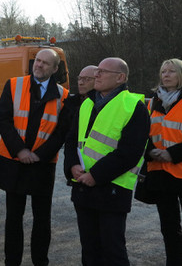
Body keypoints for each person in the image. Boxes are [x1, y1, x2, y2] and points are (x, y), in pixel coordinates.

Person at [64, 57, 150, 266]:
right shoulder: (87, 103)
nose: (97, 75)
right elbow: (71, 140)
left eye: (103, 71)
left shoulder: (134, 107)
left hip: (113, 190)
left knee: (113, 251)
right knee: (89, 250)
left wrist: (95, 175)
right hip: (83, 188)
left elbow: (130, 152)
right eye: (97, 71)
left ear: (120, 77)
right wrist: (72, 166)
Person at [0, 48, 70, 266]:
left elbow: (61, 133)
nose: (39, 65)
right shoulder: (14, 84)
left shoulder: (63, 96)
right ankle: (12, 261)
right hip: (15, 161)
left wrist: (38, 156)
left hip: (42, 165)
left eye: (46, 63)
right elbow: (4, 120)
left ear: (55, 69)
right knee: (13, 219)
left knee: (42, 220)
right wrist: (20, 151)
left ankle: (40, 261)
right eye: (37, 61)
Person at [144, 58, 182, 265]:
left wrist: (173, 154)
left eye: (171, 71)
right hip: (160, 171)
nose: (166, 75)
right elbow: (141, 134)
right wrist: (150, 151)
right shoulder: (151, 103)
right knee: (169, 227)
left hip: (179, 167)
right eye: (163, 71)